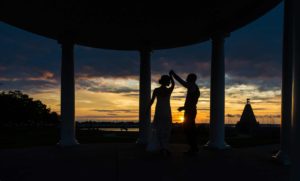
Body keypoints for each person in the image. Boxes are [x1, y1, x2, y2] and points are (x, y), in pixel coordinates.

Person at [169, 70, 200, 156]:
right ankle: (194, 147)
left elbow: (182, 82)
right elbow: (192, 102)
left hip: (190, 111)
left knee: (189, 129)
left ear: (191, 79)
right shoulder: (194, 87)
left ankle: (193, 148)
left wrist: (174, 74)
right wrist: (184, 108)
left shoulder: (192, 86)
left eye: (188, 78)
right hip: (190, 110)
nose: (186, 79)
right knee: (189, 129)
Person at [146, 74, 174, 156]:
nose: (169, 82)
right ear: (166, 82)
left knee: (159, 130)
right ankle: (164, 148)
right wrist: (171, 77)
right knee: (166, 130)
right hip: (166, 112)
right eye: (168, 81)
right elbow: (174, 84)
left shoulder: (156, 90)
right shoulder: (169, 90)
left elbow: (151, 101)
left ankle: (162, 148)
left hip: (159, 111)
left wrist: (147, 109)